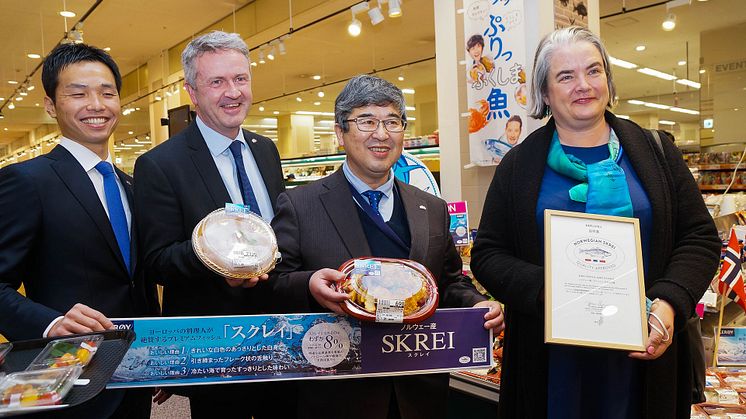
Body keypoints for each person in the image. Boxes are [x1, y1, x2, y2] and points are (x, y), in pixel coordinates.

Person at [470, 26, 720, 419]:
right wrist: (547, 291)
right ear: (545, 93)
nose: (583, 85)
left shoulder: (656, 153)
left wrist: (669, 304)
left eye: (593, 70)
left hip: (645, 353)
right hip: (552, 360)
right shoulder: (519, 166)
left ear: (607, 78)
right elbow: (488, 253)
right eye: (565, 76)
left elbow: (700, 237)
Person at [268, 74, 504, 419]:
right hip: (338, 393)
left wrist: (478, 304)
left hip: (419, 389)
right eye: (367, 121)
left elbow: (450, 281)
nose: (381, 134)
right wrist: (308, 284)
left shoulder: (431, 207)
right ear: (340, 132)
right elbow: (273, 283)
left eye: (392, 121)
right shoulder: (300, 205)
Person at [133, 31, 287, 418]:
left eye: (240, 79)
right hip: (218, 346)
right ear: (192, 92)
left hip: (284, 331)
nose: (232, 92)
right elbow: (157, 260)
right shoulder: (161, 165)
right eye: (216, 82)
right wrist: (222, 262)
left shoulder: (265, 150)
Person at [0, 43, 158, 418]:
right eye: (78, 93)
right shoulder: (26, 181)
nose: (97, 104)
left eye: (107, 92)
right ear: (51, 105)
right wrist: (51, 322)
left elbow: (138, 279)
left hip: (134, 377)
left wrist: (158, 362)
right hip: (68, 382)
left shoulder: (131, 184)